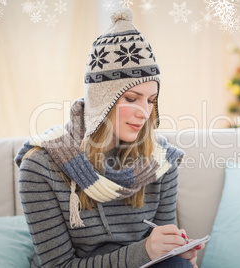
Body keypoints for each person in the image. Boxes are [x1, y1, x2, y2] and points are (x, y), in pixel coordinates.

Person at [15, 7, 204, 268]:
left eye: (151, 100)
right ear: (102, 101)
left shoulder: (161, 162)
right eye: (130, 98)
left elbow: (160, 251)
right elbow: (58, 266)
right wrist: (145, 251)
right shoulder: (40, 167)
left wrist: (174, 250)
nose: (144, 113)